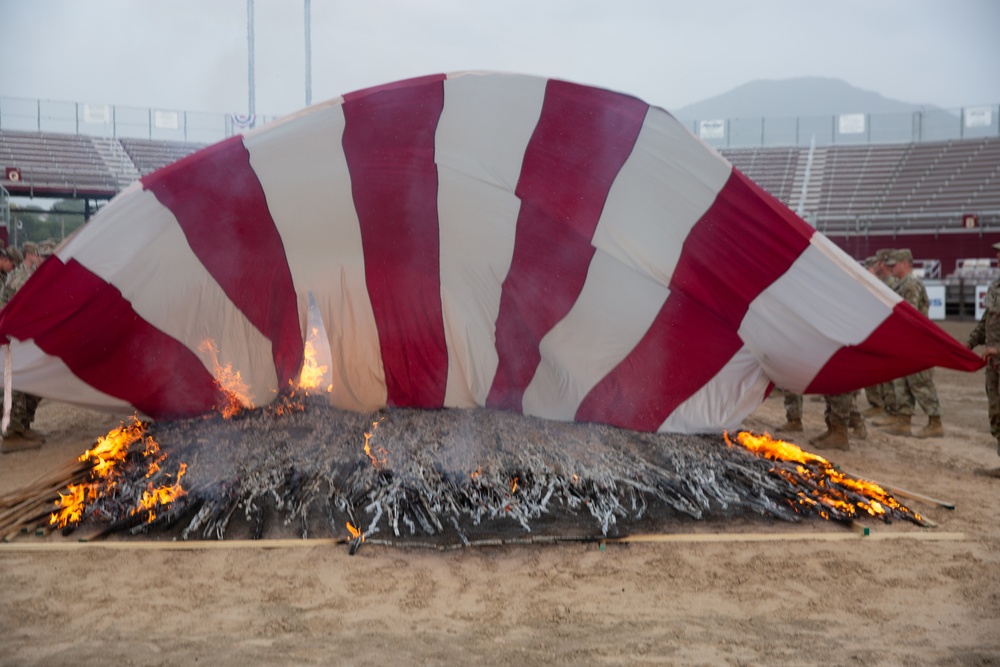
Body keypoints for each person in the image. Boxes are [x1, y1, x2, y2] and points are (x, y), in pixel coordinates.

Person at [877, 248, 944, 438]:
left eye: (894, 264)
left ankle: (935, 421)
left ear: (905, 263)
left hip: (916, 341)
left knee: (920, 381)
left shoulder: (911, 284)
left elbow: (911, 315)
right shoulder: (902, 284)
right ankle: (904, 420)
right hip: (905, 341)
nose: (891, 268)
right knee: (902, 381)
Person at [0, 242, 48, 453]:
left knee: (34, 384)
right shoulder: (21, 278)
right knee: (17, 385)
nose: (46, 260)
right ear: (33, 256)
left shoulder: (35, 275)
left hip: (21, 338)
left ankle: (22, 426)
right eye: (43, 256)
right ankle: (11, 434)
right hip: (10, 339)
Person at [967, 241, 1000, 455]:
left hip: (996, 355)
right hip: (994, 365)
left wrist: (997, 348)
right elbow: (986, 321)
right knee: (996, 412)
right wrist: (968, 343)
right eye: (998, 254)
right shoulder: (995, 286)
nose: (998, 258)